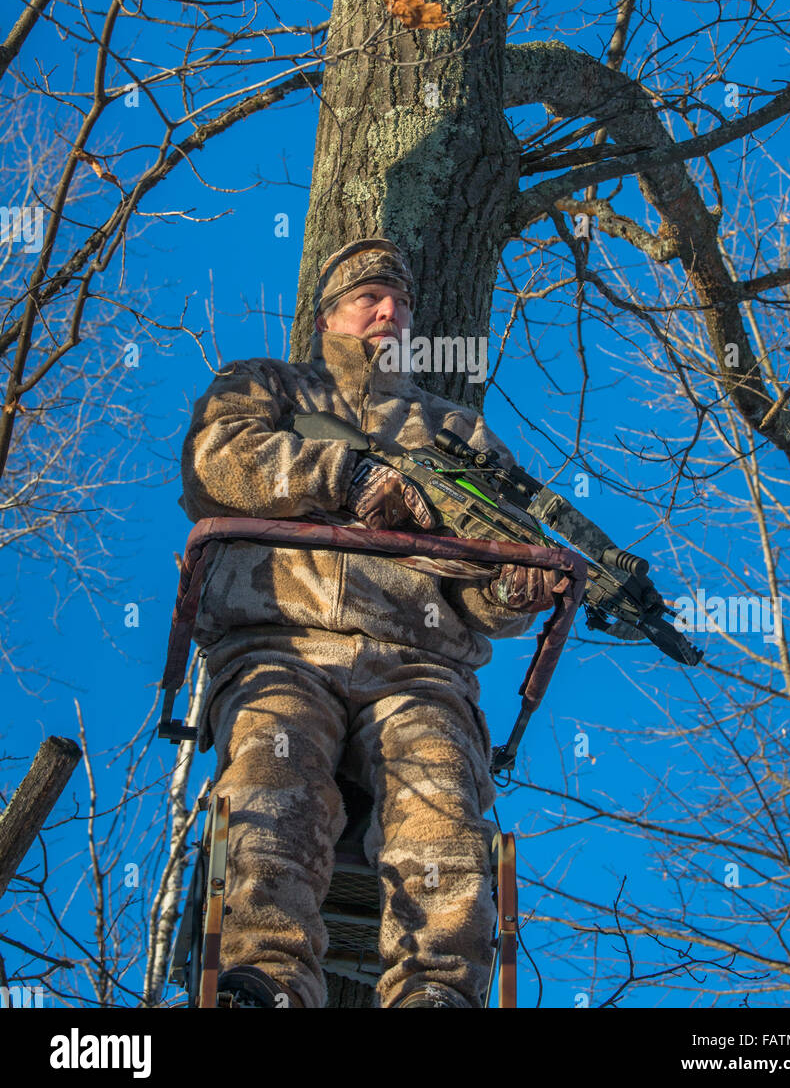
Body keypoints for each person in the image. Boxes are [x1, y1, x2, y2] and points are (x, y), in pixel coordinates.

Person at [179, 237, 561, 1008]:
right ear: (327, 320)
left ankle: (437, 991)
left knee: (444, 798)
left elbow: (481, 590)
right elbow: (216, 461)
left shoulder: (458, 434)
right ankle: (267, 981)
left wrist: (513, 592)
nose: (389, 313)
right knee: (270, 783)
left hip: (418, 666)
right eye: (369, 299)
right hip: (281, 643)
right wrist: (344, 475)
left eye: (402, 304)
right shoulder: (267, 386)